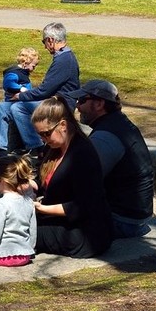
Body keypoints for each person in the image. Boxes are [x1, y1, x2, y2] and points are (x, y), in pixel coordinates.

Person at [30, 97, 114, 258]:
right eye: (40, 135)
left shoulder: (82, 154)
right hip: (63, 222)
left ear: (63, 125)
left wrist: (41, 209)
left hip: (86, 232)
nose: (43, 139)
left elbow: (83, 206)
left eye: (46, 134)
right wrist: (28, 185)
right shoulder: (54, 148)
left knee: (22, 232)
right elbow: (43, 180)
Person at [74, 79, 155, 239]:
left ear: (99, 104)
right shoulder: (120, 124)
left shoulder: (105, 137)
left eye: (82, 100)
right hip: (135, 217)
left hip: (122, 221)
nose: (77, 106)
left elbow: (82, 180)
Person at [0, 22, 80, 156]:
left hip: (60, 104)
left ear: (50, 40)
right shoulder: (62, 57)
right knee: (1, 108)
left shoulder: (64, 60)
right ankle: (1, 152)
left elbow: (44, 91)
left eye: (44, 42)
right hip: (50, 100)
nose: (45, 46)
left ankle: (37, 149)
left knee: (18, 107)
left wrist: (20, 96)